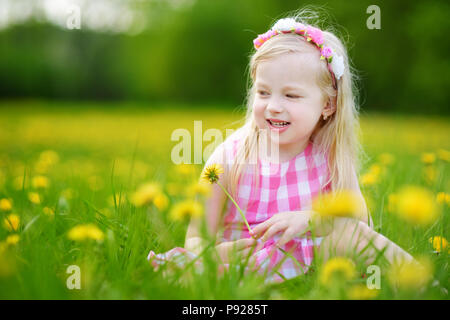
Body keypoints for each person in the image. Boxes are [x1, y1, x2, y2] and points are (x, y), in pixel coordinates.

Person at [149, 12, 418, 283]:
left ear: (328, 105)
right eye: (264, 92)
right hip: (240, 269)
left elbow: (361, 222)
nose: (274, 105)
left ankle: (426, 287)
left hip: (311, 265)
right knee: (185, 276)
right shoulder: (229, 157)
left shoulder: (330, 157)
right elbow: (196, 237)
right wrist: (221, 254)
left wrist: (311, 219)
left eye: (290, 95)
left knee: (355, 238)